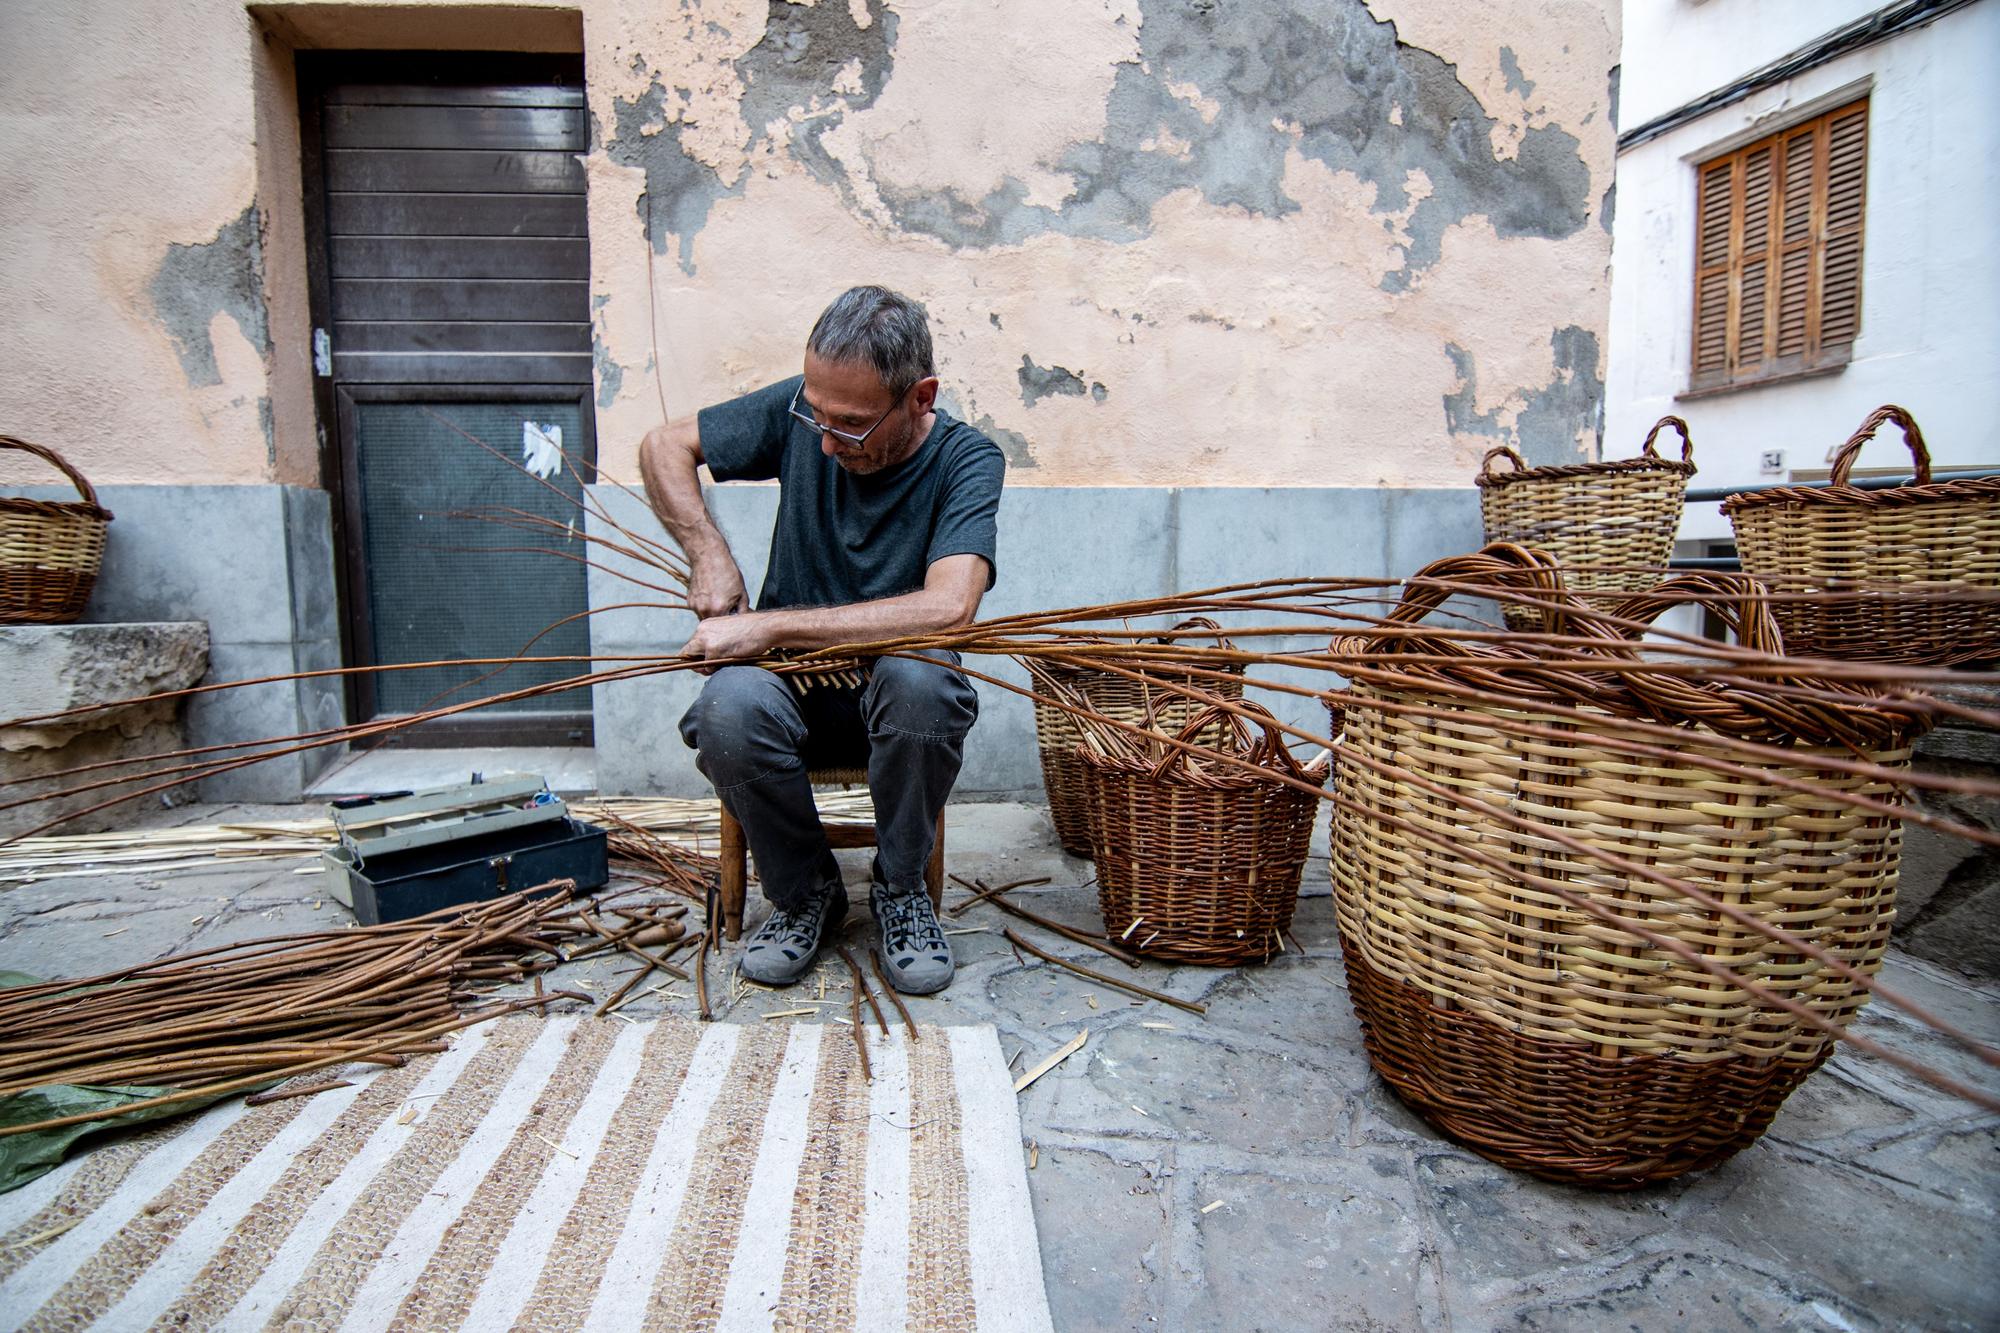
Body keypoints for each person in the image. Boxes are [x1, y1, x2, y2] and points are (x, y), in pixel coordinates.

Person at [638, 286, 1005, 994]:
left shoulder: (968, 460)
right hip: (792, 697)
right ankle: (807, 892)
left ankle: (901, 891)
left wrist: (770, 623)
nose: (827, 441)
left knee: (923, 678)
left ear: (920, 396)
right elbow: (663, 445)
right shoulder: (804, 413)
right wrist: (706, 549)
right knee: (727, 707)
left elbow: (950, 607)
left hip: (896, 713)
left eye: (853, 426)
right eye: (819, 416)